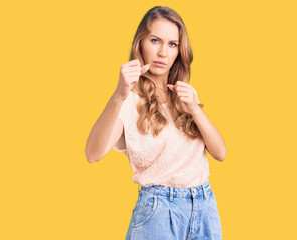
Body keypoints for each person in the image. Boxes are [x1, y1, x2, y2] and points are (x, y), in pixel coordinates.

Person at [85, 6, 227, 240]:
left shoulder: (185, 95)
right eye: (155, 40)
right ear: (140, 43)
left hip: (204, 208)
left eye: (172, 44)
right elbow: (93, 153)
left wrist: (194, 108)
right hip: (159, 214)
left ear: (179, 51)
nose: (162, 52)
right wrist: (119, 94)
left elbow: (220, 153)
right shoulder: (129, 100)